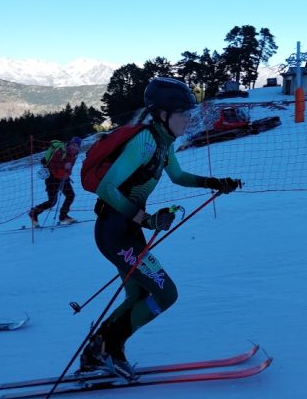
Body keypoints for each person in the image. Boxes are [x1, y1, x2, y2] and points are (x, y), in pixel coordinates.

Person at [79, 77, 242, 377]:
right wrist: (146, 219)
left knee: (138, 296)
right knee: (166, 293)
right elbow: (107, 188)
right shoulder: (144, 143)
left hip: (126, 231)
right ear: (164, 114)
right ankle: (107, 347)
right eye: (183, 113)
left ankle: (99, 350)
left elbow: (178, 176)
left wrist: (214, 182)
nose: (188, 118)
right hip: (114, 232)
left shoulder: (164, 144)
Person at [29, 136, 81, 226]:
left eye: (77, 146)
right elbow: (53, 166)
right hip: (52, 177)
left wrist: (66, 173)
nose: (75, 147)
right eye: (73, 145)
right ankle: (34, 213)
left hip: (63, 177)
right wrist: (64, 167)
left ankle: (63, 217)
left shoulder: (74, 155)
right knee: (52, 202)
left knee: (70, 195)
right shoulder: (60, 151)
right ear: (69, 144)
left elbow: (69, 168)